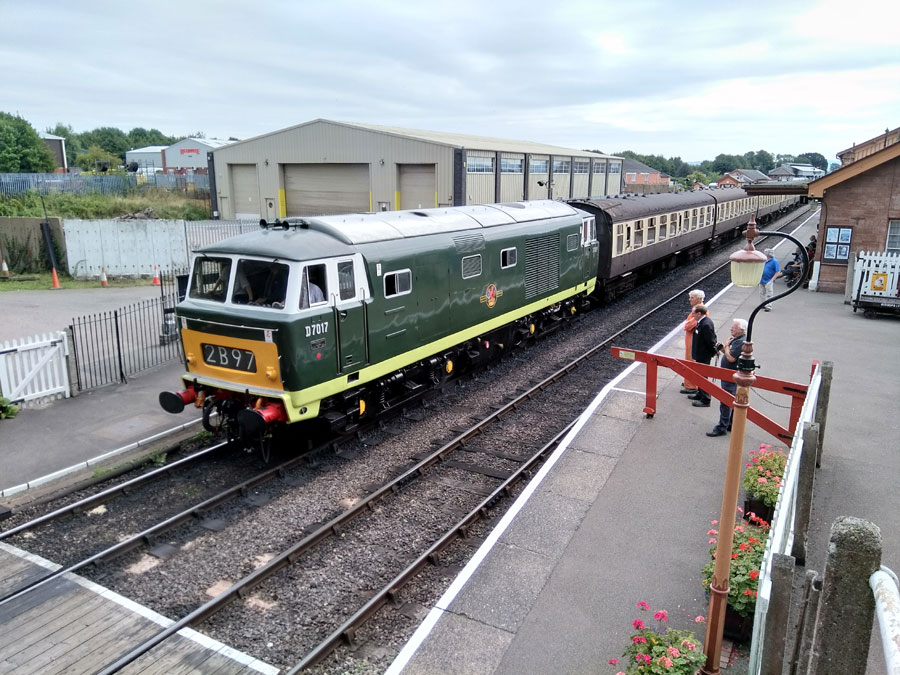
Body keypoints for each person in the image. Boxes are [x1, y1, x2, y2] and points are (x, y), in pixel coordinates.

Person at [706, 318, 747, 437]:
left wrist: (727, 346)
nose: (731, 329)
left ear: (741, 329)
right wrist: (722, 348)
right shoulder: (737, 339)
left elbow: (731, 358)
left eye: (733, 327)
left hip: (730, 376)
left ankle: (722, 426)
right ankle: (730, 423)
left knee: (726, 400)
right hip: (728, 375)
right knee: (730, 399)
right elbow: (728, 353)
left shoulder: (740, 341)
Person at [689, 304, 717, 407]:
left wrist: (713, 351)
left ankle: (706, 399)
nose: (692, 315)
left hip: (703, 355)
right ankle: (700, 393)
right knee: (699, 375)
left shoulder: (706, 324)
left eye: (693, 313)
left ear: (699, 313)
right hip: (700, 354)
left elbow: (710, 340)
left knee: (703, 376)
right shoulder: (701, 322)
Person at [680, 289, 706, 395]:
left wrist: (687, 324)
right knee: (689, 360)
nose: (689, 299)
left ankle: (691, 385)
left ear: (699, 299)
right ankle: (688, 381)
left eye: (692, 297)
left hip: (694, 341)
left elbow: (688, 326)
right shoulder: (697, 310)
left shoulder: (700, 312)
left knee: (691, 361)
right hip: (691, 340)